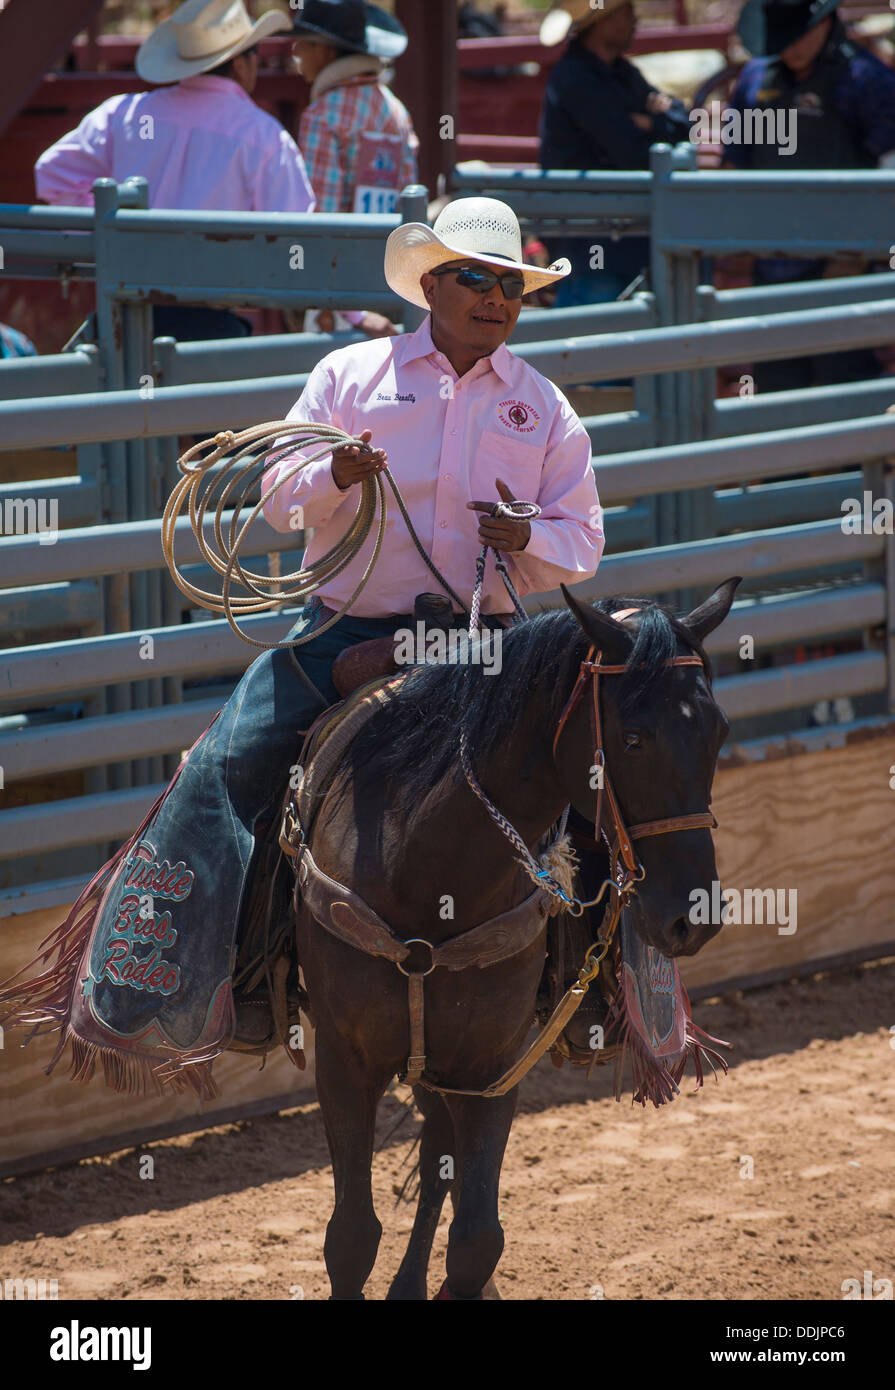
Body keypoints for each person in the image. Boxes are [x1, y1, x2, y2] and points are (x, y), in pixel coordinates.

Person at [13, 197, 602, 1064]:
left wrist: (529, 537)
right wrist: (333, 469)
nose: (494, 298)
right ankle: (218, 979)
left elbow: (582, 541)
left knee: (603, 772)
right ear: (431, 284)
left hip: (491, 640)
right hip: (345, 626)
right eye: (474, 278)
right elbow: (279, 498)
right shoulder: (350, 375)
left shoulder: (541, 405)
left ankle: (599, 994)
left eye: (509, 284)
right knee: (226, 767)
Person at [34, 0, 316, 342]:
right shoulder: (264, 136)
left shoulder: (123, 115)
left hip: (125, 316)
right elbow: (298, 237)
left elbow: (52, 175)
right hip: (213, 327)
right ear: (243, 63)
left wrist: (110, 239)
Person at [727, 0, 895, 391]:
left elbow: (889, 174)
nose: (791, 46)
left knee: (843, 378)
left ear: (824, 22)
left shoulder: (866, 80)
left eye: (799, 33)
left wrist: (858, 256)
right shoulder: (755, 80)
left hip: (844, 269)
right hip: (771, 264)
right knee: (777, 381)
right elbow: (734, 166)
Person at [538, 0, 690, 306]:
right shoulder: (577, 77)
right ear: (603, 21)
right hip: (592, 241)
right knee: (589, 339)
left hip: (622, 238)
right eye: (627, 12)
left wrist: (651, 121)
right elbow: (632, 151)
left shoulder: (619, 72)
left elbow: (681, 120)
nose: (636, 20)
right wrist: (657, 123)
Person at [291, 0, 419, 338]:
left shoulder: (321, 116)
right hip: (393, 285)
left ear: (324, 51)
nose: (295, 50)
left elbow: (325, 221)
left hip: (342, 300)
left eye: (302, 42)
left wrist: (334, 306)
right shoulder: (396, 110)